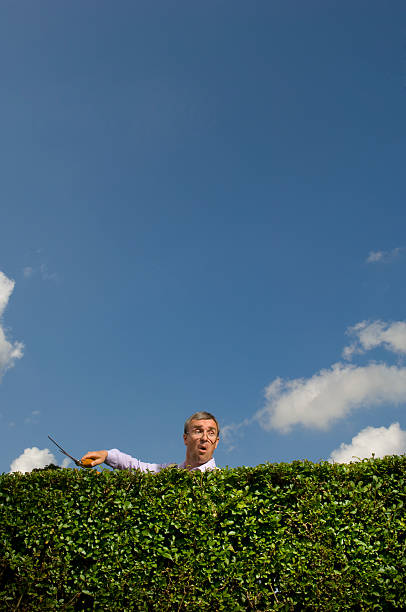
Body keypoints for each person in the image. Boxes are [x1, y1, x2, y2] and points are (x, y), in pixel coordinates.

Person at [81, 411, 220, 473]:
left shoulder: (222, 480)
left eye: (211, 433)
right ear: (185, 439)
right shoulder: (170, 472)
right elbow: (137, 467)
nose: (204, 437)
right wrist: (107, 455)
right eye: (198, 431)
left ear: (216, 442)